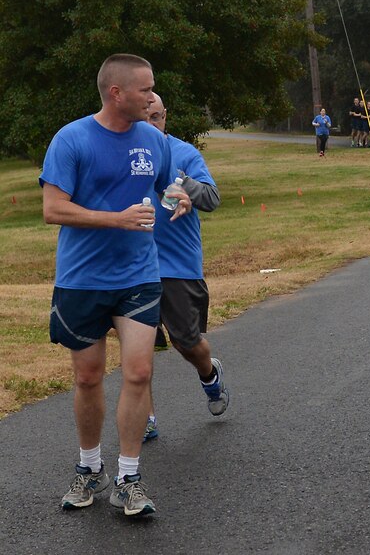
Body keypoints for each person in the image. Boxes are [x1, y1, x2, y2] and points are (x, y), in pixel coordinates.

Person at [40, 53, 191, 516]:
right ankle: (90, 469)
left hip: (139, 275)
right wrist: (115, 220)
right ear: (116, 93)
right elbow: (53, 209)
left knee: (139, 372)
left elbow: (165, 185)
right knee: (87, 377)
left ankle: (129, 477)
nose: (152, 97)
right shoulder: (71, 139)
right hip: (82, 279)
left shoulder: (153, 139)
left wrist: (178, 196)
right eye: (145, 90)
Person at [143, 93, 229, 443]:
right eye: (144, 117)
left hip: (178, 266)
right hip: (135, 265)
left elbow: (212, 199)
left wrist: (185, 184)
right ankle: (145, 416)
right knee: (139, 347)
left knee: (187, 343)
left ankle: (209, 374)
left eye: (157, 117)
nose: (151, 124)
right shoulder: (121, 155)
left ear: (166, 117)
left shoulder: (184, 154)